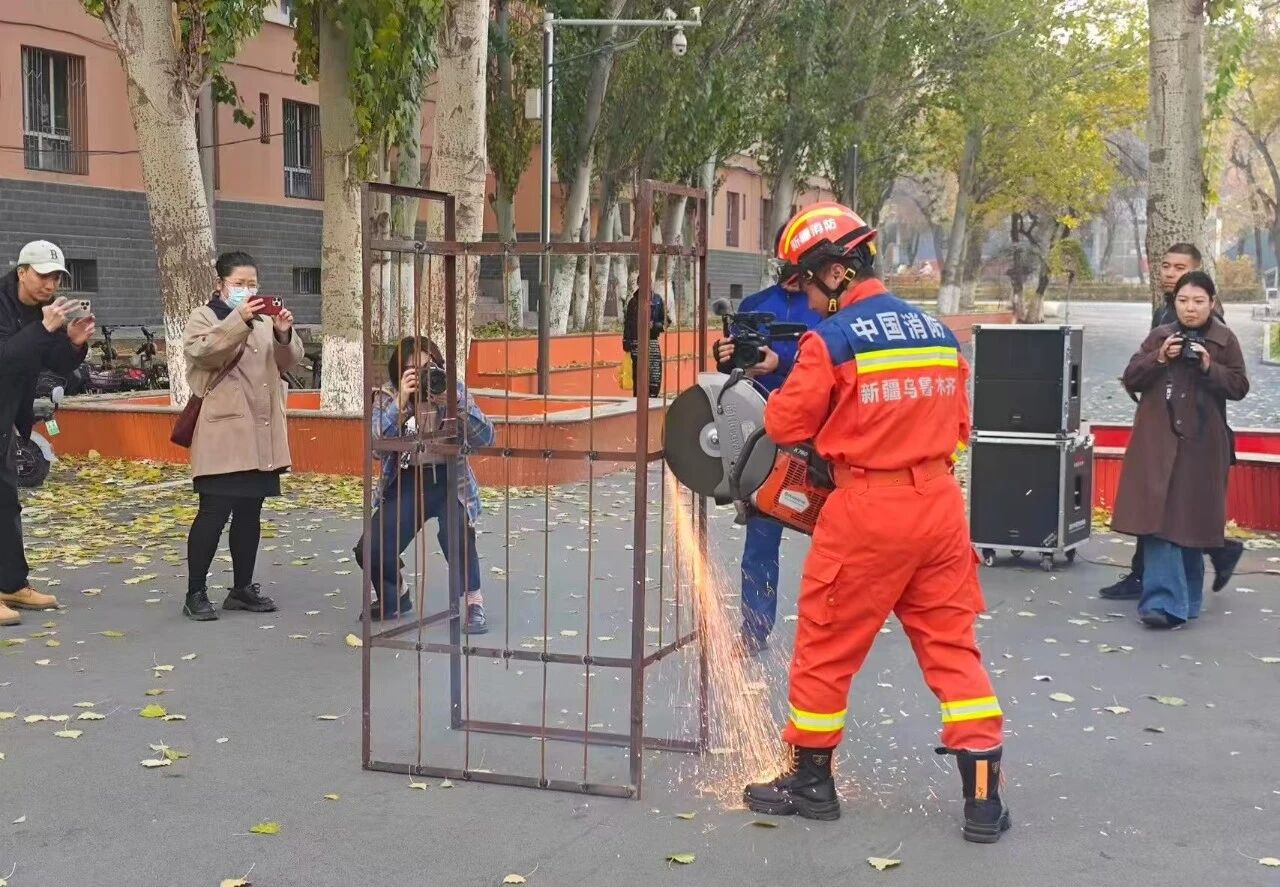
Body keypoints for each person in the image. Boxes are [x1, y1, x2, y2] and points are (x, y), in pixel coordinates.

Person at [741, 203, 1009, 844]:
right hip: (939, 505)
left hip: (867, 509)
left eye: (806, 282)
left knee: (826, 646)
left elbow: (784, 423)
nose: (805, 296)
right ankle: (983, 798)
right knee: (952, 646)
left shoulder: (832, 340)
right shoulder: (939, 332)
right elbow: (961, 424)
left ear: (835, 272)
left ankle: (810, 782)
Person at [1100, 243, 1243, 600]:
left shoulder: (1221, 335)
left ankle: (1179, 598)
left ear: (1210, 301)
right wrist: (1160, 358)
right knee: (1161, 518)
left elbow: (1238, 385)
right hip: (1158, 436)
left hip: (1199, 439)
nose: (1189, 307)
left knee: (1183, 520)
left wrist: (1209, 366)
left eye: (1180, 268)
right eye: (1166, 267)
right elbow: (1133, 374)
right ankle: (1162, 598)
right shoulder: (1162, 327)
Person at [712, 242, 822, 655]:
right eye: (785, 262)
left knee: (837, 542)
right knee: (760, 542)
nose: (790, 271)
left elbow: (837, 368)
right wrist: (725, 357)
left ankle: (837, 633)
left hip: (822, 437)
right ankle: (754, 630)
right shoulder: (755, 305)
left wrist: (783, 364)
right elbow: (736, 367)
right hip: (766, 437)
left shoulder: (829, 309)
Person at [182, 251, 303, 621]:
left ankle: (241, 589)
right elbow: (202, 353)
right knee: (213, 512)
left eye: (252, 284)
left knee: (251, 511)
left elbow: (288, 361)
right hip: (223, 430)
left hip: (261, 430)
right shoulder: (204, 316)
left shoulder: (265, 320)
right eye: (239, 283)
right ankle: (195, 592)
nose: (247, 290)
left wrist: (283, 334)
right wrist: (239, 319)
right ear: (221, 284)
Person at [360, 336, 494, 632]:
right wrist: (400, 403)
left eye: (428, 367)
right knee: (371, 547)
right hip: (409, 480)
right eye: (413, 370)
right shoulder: (388, 395)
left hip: (449, 478)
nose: (422, 375)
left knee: (457, 533)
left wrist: (455, 405)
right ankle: (395, 595)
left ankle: (474, 602)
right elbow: (376, 449)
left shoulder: (452, 389)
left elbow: (486, 438)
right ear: (399, 372)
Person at [0, 241, 93, 626]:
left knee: (7, 504)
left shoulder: (47, 311)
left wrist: (74, 343)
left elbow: (54, 362)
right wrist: (43, 328)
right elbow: (5, 357)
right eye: (42, 275)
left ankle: (11, 584)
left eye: (56, 277)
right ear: (21, 271)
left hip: (7, 416)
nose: (50, 284)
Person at [621, 290, 669, 398]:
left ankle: (653, 397)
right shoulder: (633, 301)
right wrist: (626, 341)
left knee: (654, 374)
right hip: (636, 342)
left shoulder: (657, 299)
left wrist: (655, 325)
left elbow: (666, 322)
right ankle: (638, 399)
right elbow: (628, 323)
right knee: (638, 374)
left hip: (652, 341)